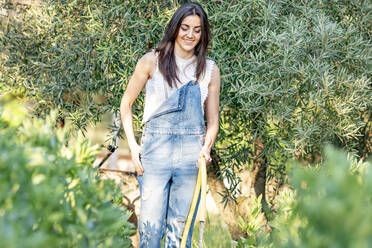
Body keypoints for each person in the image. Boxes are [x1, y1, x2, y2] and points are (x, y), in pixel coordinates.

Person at [120, 2, 220, 247]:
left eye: (197, 30)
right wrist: (133, 147)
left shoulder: (210, 70)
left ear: (203, 33)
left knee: (180, 235)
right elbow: (126, 103)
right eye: (185, 28)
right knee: (151, 232)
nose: (190, 35)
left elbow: (213, 122)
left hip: (190, 157)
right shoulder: (150, 62)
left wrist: (206, 148)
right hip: (154, 154)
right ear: (175, 28)